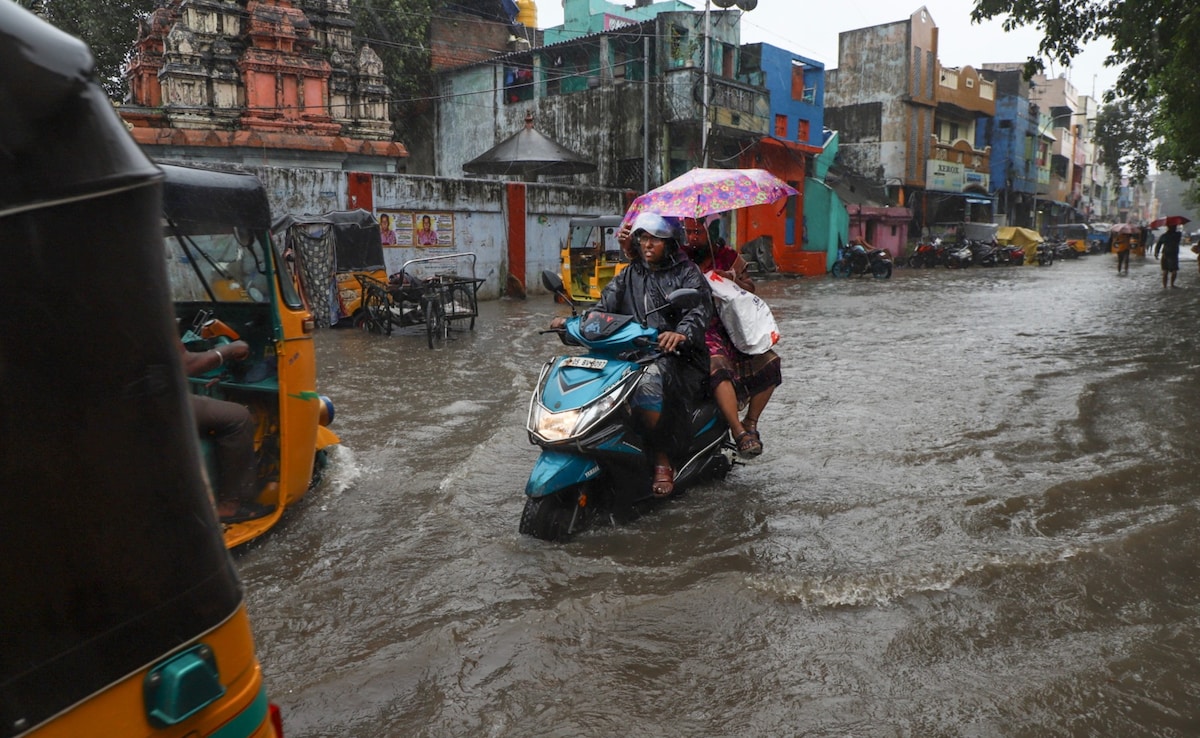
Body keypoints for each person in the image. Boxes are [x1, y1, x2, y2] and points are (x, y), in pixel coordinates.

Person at [550, 213, 712, 497]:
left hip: (675, 355)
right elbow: (604, 306)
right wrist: (575, 323)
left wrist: (681, 333)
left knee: (649, 384)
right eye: (644, 238)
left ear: (671, 243)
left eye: (656, 240)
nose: (648, 245)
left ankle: (660, 456)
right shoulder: (629, 272)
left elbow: (698, 309)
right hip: (628, 349)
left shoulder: (687, 273)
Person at [682, 233, 782, 457]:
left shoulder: (726, 256)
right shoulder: (677, 256)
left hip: (729, 326)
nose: (693, 234)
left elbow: (750, 287)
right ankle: (738, 431)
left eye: (697, 226)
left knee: (770, 362)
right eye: (688, 228)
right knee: (718, 366)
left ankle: (750, 423)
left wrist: (730, 277)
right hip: (697, 326)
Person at [180, 339, 274, 523]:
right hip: (149, 404)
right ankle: (229, 507)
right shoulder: (142, 314)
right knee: (238, 417)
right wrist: (228, 350)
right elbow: (184, 364)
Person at [1155, 223, 1182, 287]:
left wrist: (1156, 253)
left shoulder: (1164, 236)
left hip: (1165, 254)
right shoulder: (1177, 235)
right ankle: (1172, 284)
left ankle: (1164, 285)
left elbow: (1158, 245)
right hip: (1174, 254)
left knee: (1165, 270)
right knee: (1174, 270)